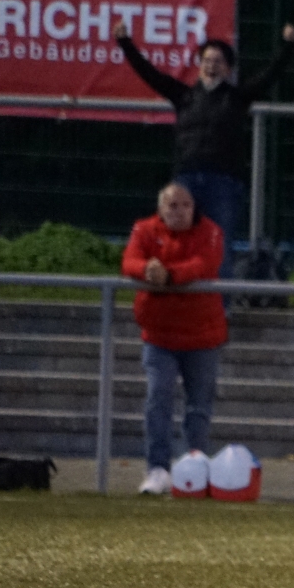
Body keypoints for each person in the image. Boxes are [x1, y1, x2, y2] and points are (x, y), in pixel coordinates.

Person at [116, 18, 294, 277]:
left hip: (224, 182)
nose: (211, 66)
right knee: (178, 242)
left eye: (218, 61)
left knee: (219, 245)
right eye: (207, 60)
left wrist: (289, 46)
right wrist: (125, 42)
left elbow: (270, 75)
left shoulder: (237, 98)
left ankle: (220, 300)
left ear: (228, 68)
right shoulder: (183, 95)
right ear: (199, 64)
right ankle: (178, 291)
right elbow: (149, 74)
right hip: (185, 179)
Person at [121, 183, 226, 495]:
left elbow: (204, 263)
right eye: (172, 205)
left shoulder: (210, 231)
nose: (179, 212)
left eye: (185, 205)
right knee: (158, 398)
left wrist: (168, 275)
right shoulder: (143, 229)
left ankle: (195, 467)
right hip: (159, 335)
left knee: (199, 407)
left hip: (202, 335)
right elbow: (129, 261)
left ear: (194, 207)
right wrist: (147, 269)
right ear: (161, 209)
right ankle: (157, 469)